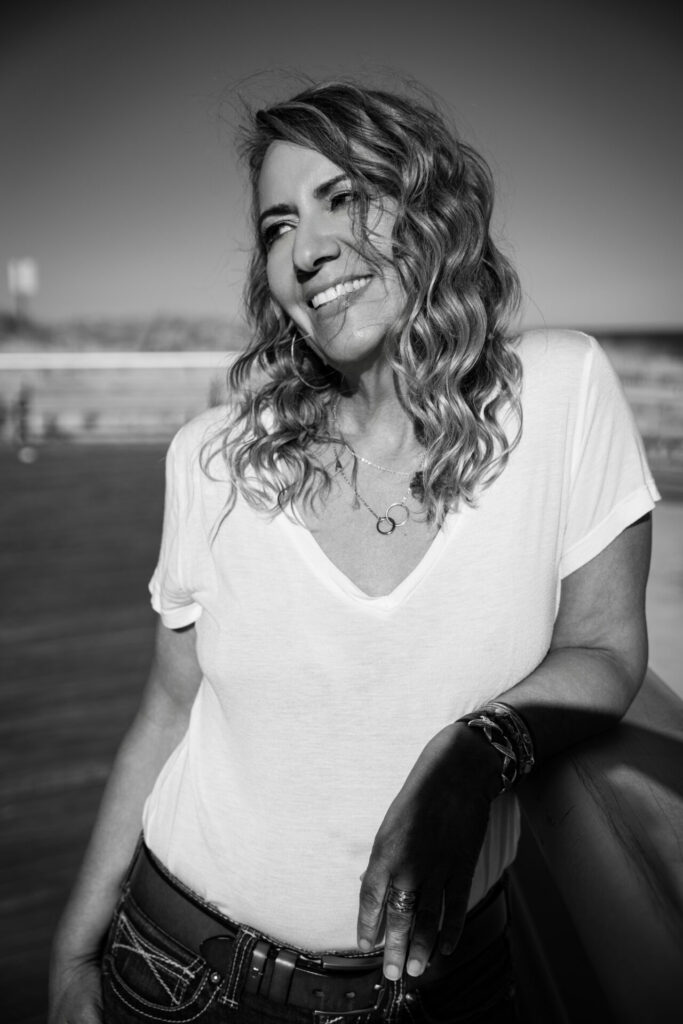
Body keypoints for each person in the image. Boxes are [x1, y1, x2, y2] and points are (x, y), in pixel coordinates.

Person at [48, 80, 659, 1024]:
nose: (307, 250)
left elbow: (607, 647)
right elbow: (168, 710)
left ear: (427, 208)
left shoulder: (560, 395)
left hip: (442, 995)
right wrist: (72, 953)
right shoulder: (213, 460)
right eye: (278, 226)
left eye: (345, 197)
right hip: (176, 974)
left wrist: (471, 755)